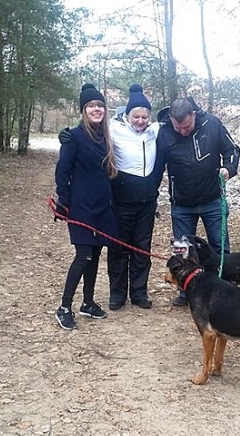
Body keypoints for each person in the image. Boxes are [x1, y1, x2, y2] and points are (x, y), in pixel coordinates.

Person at [156, 97, 240, 306]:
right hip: (182, 203)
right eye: (178, 127)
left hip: (212, 199)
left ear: (193, 114)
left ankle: (224, 289)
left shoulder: (211, 124)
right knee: (182, 249)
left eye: (186, 127)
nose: (182, 131)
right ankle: (187, 291)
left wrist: (228, 169)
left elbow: (232, 150)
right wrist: (150, 195)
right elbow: (156, 166)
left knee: (219, 246)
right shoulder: (164, 132)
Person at [53, 83, 118, 330]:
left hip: (102, 208)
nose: (96, 109)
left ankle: (88, 303)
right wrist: (64, 201)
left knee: (95, 256)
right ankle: (64, 307)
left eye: (100, 105)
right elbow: (63, 171)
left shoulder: (106, 138)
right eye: (91, 105)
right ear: (83, 109)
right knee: (83, 256)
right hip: (81, 208)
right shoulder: (74, 137)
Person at [105, 84, 165, 310]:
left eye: (144, 116)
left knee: (141, 248)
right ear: (127, 115)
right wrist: (68, 136)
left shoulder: (155, 130)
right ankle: (117, 294)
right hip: (121, 201)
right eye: (136, 116)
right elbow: (89, 129)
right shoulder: (113, 128)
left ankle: (139, 292)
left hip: (146, 203)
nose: (140, 121)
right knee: (119, 247)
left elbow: (181, 125)